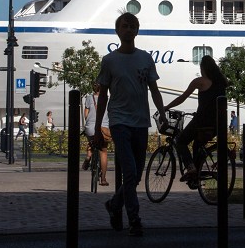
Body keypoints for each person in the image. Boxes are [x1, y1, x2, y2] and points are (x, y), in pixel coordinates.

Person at [92, 12, 166, 236]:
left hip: (141, 122)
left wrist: (162, 113)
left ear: (138, 30)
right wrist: (97, 127)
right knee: (130, 171)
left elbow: (154, 89)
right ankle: (134, 219)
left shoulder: (145, 58)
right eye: (125, 26)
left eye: (132, 26)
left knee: (137, 173)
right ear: (117, 31)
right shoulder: (109, 61)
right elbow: (102, 95)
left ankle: (114, 205)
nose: (129, 29)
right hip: (119, 122)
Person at [163, 54, 227, 184]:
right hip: (217, 124)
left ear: (203, 68)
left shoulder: (200, 81)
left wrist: (167, 107)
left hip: (202, 121)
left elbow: (182, 97)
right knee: (197, 145)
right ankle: (195, 177)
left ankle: (191, 168)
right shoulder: (222, 81)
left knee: (180, 141)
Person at [83, 85, 110, 186]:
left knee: (92, 142)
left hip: (91, 127)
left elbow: (86, 115)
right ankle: (103, 179)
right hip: (103, 128)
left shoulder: (89, 98)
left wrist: (90, 121)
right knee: (103, 151)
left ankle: (89, 155)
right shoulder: (108, 100)